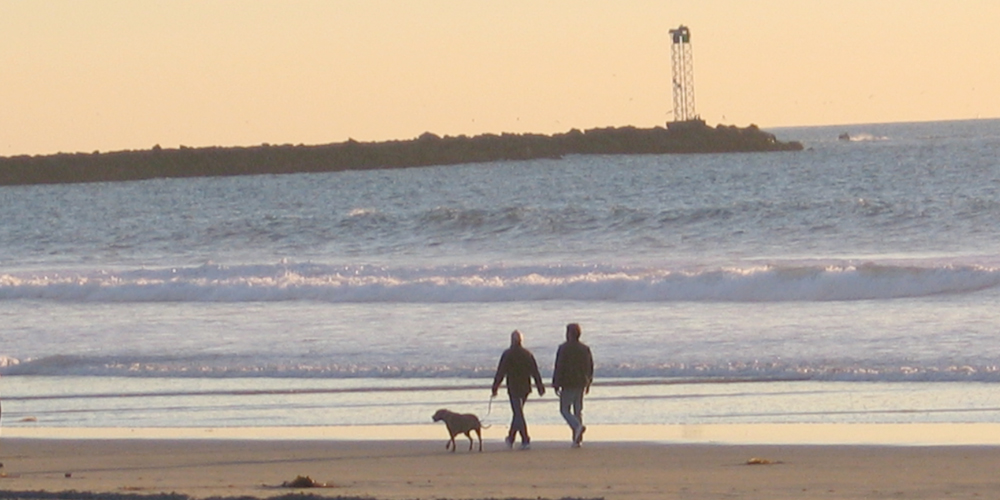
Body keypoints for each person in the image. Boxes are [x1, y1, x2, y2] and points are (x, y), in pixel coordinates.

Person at [491, 330, 545, 450]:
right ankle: (511, 438)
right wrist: (539, 386)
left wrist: (495, 387)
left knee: (518, 413)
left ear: (512, 340)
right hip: (525, 387)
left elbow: (501, 372)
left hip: (513, 387)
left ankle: (525, 439)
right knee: (518, 413)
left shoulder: (507, 354)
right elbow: (535, 371)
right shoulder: (527, 354)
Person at [552, 322, 593, 447]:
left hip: (568, 383)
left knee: (564, 410)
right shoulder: (584, 349)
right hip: (580, 382)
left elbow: (559, 366)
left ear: (569, 334)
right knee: (577, 410)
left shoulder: (563, 348)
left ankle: (577, 427)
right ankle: (577, 439)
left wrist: (556, 383)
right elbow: (589, 367)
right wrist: (588, 382)